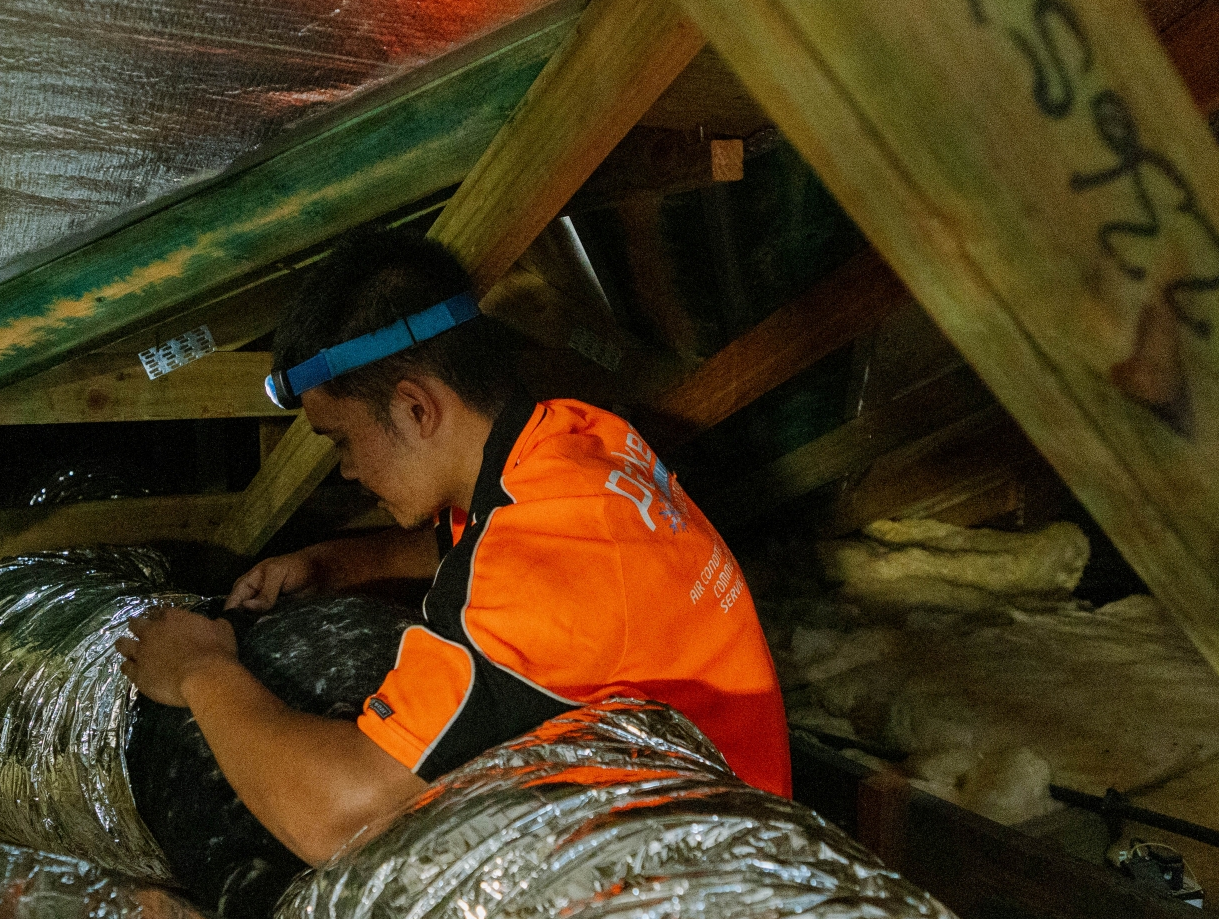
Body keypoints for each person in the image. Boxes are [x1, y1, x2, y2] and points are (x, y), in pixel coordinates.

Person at [115, 228, 790, 866]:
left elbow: (338, 817)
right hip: (738, 809)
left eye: (342, 440)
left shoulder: (533, 570)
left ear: (416, 408)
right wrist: (332, 564)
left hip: (704, 881)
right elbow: (475, 543)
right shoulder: (578, 438)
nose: (347, 470)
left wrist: (200, 670)